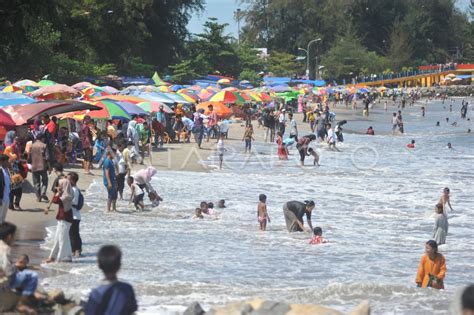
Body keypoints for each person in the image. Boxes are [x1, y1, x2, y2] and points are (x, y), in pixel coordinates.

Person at [85, 245, 137, 315]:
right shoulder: (127, 289)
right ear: (119, 265)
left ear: (99, 265)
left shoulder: (96, 293)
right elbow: (132, 310)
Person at [0, 222, 39, 314]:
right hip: (4, 281)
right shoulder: (5, 248)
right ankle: (21, 304)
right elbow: (7, 270)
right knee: (32, 276)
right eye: (14, 236)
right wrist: (16, 268)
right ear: (9, 236)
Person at [44, 178, 73, 263]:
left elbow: (56, 200)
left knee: (62, 239)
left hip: (65, 219)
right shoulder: (65, 193)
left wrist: (58, 192)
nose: (59, 186)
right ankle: (53, 257)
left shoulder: (67, 195)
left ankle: (64, 258)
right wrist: (58, 192)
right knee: (57, 239)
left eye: (60, 185)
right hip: (62, 218)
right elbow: (55, 200)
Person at [30, 133, 49, 202]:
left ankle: (38, 197)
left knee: (36, 182)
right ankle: (43, 192)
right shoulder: (44, 145)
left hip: (34, 166)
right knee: (45, 180)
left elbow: (29, 157)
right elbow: (47, 157)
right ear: (42, 138)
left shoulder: (32, 145)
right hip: (43, 166)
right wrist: (49, 167)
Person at [68, 172, 82, 257]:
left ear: (73, 180)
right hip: (75, 215)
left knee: (73, 234)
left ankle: (74, 250)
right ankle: (77, 250)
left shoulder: (74, 190)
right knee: (75, 234)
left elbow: (74, 202)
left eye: (68, 179)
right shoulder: (75, 189)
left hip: (74, 215)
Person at [0, 155, 11, 223]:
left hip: (6, 197)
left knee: (3, 219)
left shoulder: (6, 170)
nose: (8, 162)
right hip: (1, 198)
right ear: (2, 162)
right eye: (7, 161)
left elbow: (6, 183)